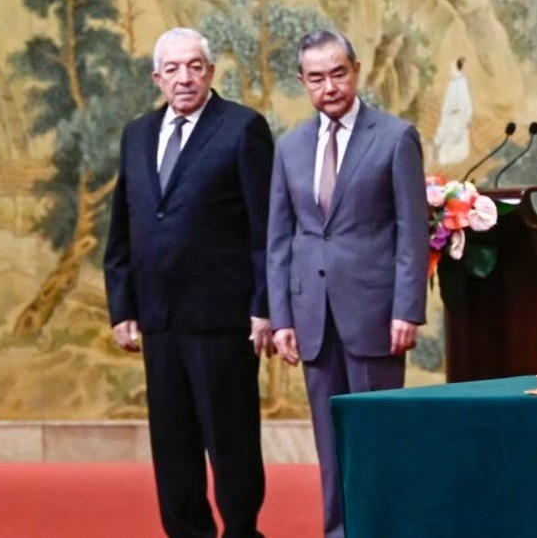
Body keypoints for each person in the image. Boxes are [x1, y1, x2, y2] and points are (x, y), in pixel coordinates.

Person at [104, 27, 274, 537]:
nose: (184, 78)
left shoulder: (242, 128)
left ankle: (243, 531)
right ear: (158, 78)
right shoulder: (136, 134)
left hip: (223, 320)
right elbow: (123, 225)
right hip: (159, 319)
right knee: (173, 445)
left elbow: (266, 229)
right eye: (173, 69)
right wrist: (122, 305)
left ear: (210, 72)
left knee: (231, 442)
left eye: (194, 66)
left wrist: (264, 306)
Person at [267, 30, 428, 538]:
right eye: (316, 78)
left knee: (377, 436)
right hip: (311, 315)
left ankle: (384, 529)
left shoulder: (395, 136)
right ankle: (338, 532)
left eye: (338, 73)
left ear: (356, 71)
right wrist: (281, 317)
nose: (329, 86)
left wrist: (408, 308)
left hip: (376, 316)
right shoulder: (289, 146)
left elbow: (412, 230)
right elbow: (280, 237)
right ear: (302, 82)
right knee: (330, 441)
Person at [432, 57, 473, 166]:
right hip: (450, 116)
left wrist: (464, 113)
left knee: (455, 135)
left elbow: (464, 101)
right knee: (446, 134)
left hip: (457, 117)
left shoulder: (461, 82)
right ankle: (440, 157)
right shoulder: (453, 82)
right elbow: (449, 100)